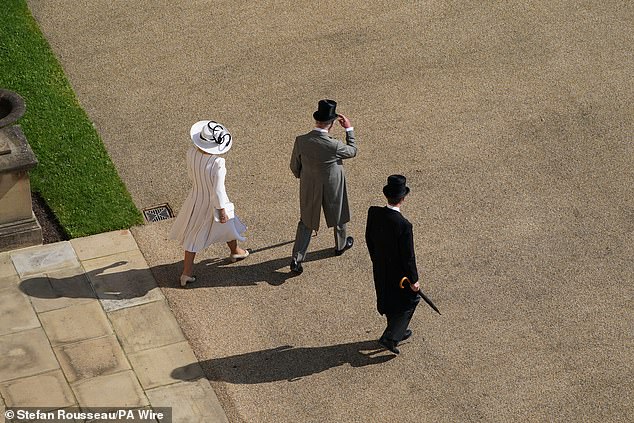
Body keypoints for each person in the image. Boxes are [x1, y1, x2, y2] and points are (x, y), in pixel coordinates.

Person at [169, 120, 249, 287]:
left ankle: (234, 251)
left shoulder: (191, 153)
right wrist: (220, 210)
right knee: (217, 228)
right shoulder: (218, 163)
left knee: (210, 229)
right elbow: (218, 190)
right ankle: (187, 273)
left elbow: (192, 176)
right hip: (212, 203)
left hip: (195, 198)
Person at [289, 99, 357, 274]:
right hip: (332, 184)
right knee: (339, 214)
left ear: (317, 120)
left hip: (310, 184)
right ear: (332, 124)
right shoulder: (334, 145)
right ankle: (340, 245)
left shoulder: (301, 140)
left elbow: (294, 166)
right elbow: (352, 150)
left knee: (306, 222)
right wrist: (349, 129)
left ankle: (297, 259)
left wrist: (302, 177)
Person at [365, 175, 420, 354]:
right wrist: (414, 280)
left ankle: (396, 331)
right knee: (411, 300)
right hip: (399, 275)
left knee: (389, 300)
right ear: (403, 198)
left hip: (380, 267)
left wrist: (376, 259)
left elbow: (369, 239)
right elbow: (408, 257)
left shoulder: (373, 212)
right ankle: (390, 337)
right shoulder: (404, 225)